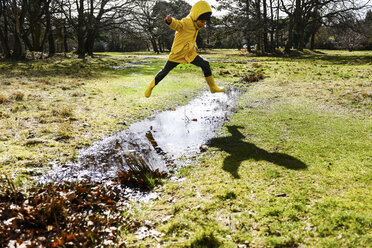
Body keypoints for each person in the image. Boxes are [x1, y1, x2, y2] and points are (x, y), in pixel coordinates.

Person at [144, 0, 225, 98]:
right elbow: (178, 24)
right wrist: (170, 21)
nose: (203, 24)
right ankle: (150, 86)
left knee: (205, 64)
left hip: (189, 54)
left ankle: (213, 87)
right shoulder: (187, 22)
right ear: (196, 17)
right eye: (202, 21)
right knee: (165, 71)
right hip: (178, 53)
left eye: (205, 22)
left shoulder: (196, 26)